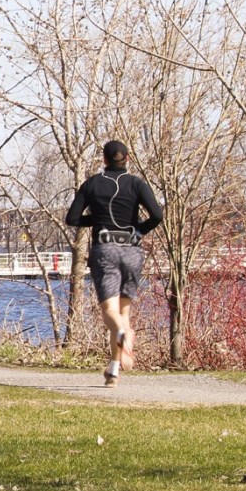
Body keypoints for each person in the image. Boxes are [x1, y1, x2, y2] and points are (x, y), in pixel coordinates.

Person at [65, 140, 163, 387]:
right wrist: (138, 230)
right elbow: (158, 215)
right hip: (132, 250)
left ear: (104, 160)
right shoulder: (137, 183)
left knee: (110, 311)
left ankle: (123, 336)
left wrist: (98, 220)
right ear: (127, 159)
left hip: (105, 249)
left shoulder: (92, 184)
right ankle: (114, 370)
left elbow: (72, 218)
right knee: (123, 313)